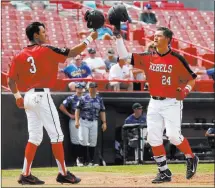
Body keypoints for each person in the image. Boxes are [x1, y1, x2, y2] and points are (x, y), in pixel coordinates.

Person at [7, 21, 98, 185]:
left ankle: (25, 174)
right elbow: (73, 52)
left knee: (34, 137)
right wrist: (90, 38)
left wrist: (17, 97)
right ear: (35, 35)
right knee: (57, 135)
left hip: (28, 97)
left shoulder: (19, 55)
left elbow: (11, 80)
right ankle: (63, 173)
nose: (45, 34)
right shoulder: (46, 49)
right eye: (43, 32)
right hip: (42, 96)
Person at [114, 26, 199, 183]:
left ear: (167, 39)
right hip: (154, 102)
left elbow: (192, 78)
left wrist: (185, 90)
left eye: (159, 36)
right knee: (153, 138)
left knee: (173, 136)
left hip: (172, 102)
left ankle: (191, 157)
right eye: (154, 35)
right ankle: (164, 171)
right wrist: (119, 37)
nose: (155, 37)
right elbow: (125, 56)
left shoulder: (177, 58)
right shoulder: (148, 57)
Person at [75, 82, 107, 166]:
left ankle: (91, 161)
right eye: (91, 87)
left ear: (96, 88)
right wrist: (77, 121)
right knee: (83, 140)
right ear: (88, 89)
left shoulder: (99, 99)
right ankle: (82, 160)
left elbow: (102, 111)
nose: (93, 89)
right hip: (84, 121)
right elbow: (77, 109)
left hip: (94, 121)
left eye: (94, 87)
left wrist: (104, 122)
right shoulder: (83, 98)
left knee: (93, 142)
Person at [59, 83, 85, 167]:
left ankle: (84, 159)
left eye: (81, 88)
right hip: (74, 120)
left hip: (85, 120)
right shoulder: (72, 98)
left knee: (84, 140)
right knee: (75, 140)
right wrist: (70, 115)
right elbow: (61, 106)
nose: (80, 89)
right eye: (78, 88)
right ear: (75, 88)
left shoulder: (87, 98)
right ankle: (76, 160)